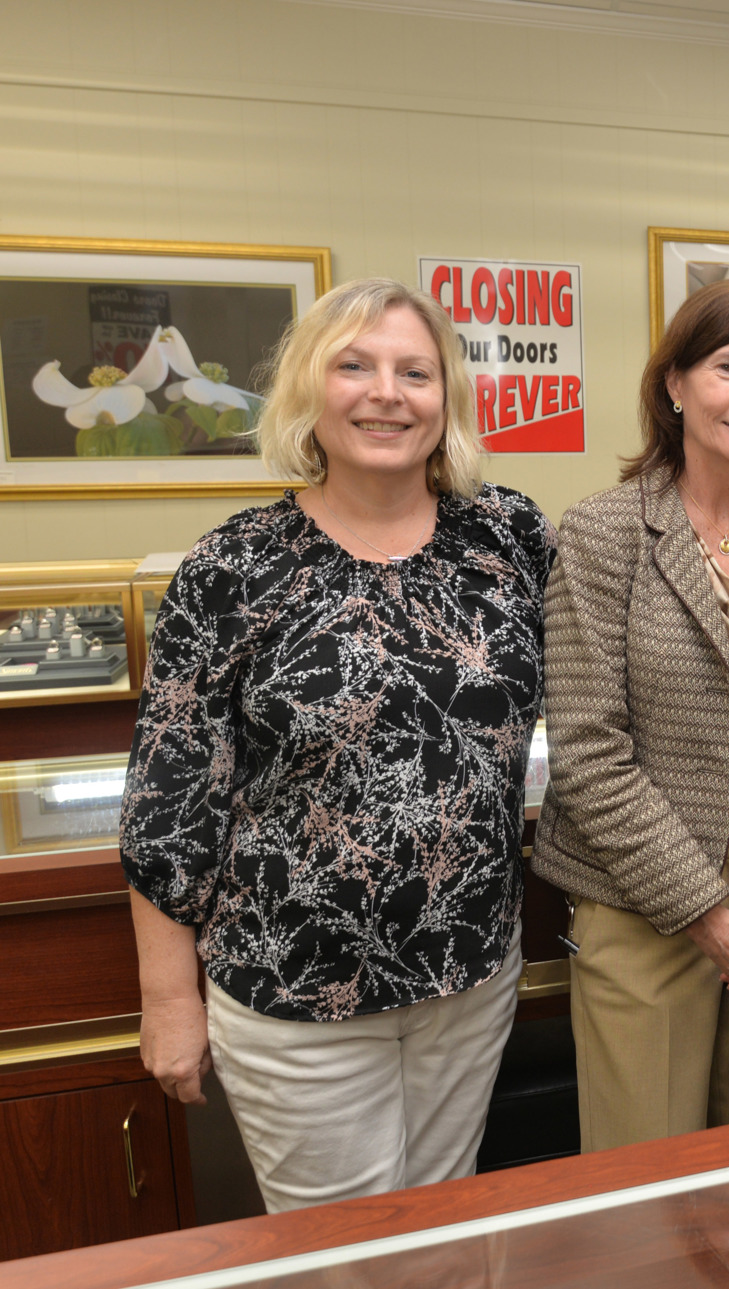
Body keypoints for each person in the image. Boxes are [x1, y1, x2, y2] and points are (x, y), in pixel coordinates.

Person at [121, 277, 552, 1211]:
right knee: (341, 1260)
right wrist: (168, 999)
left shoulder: (510, 537)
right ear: (310, 393)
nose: (386, 393)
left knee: (441, 1240)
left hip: (466, 976)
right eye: (353, 366)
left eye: (415, 371)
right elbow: (169, 799)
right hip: (295, 992)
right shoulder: (234, 567)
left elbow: (606, 691)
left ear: (449, 399)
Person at [535, 278, 729, 1151]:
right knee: (647, 1182)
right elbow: (589, 752)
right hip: (642, 899)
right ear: (675, 384)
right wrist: (710, 917)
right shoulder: (601, 533)